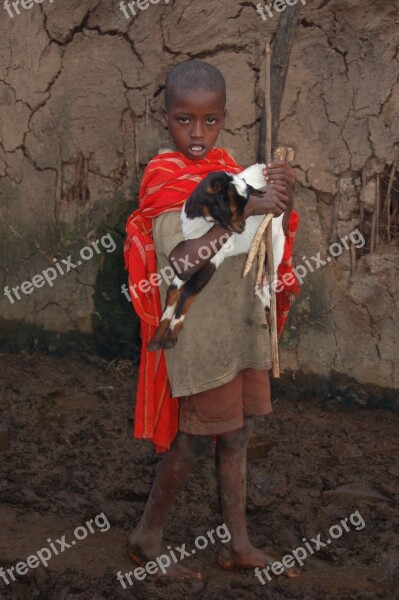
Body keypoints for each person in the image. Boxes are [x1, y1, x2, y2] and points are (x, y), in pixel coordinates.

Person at [124, 59, 300, 580]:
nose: (197, 134)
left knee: (239, 434)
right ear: (165, 118)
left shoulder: (227, 168)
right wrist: (244, 211)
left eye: (210, 120)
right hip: (198, 331)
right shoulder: (164, 179)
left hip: (239, 325)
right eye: (185, 120)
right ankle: (147, 537)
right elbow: (181, 262)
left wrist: (280, 199)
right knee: (196, 438)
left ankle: (237, 544)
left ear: (224, 118)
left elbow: (263, 233)